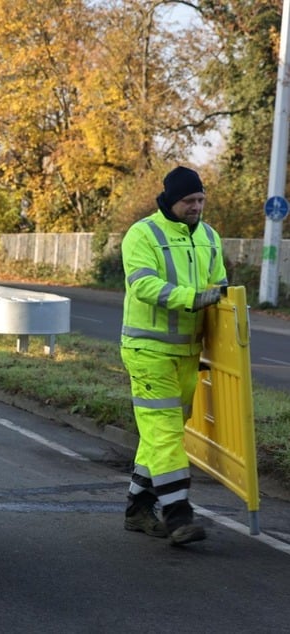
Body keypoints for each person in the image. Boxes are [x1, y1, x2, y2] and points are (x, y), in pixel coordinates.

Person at [120, 166, 228, 546]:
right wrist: (192, 299)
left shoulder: (210, 237)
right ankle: (178, 515)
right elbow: (144, 284)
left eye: (200, 200)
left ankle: (137, 508)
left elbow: (220, 285)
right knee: (165, 434)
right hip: (148, 351)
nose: (196, 207)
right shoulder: (142, 234)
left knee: (159, 434)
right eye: (189, 201)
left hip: (187, 353)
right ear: (171, 201)